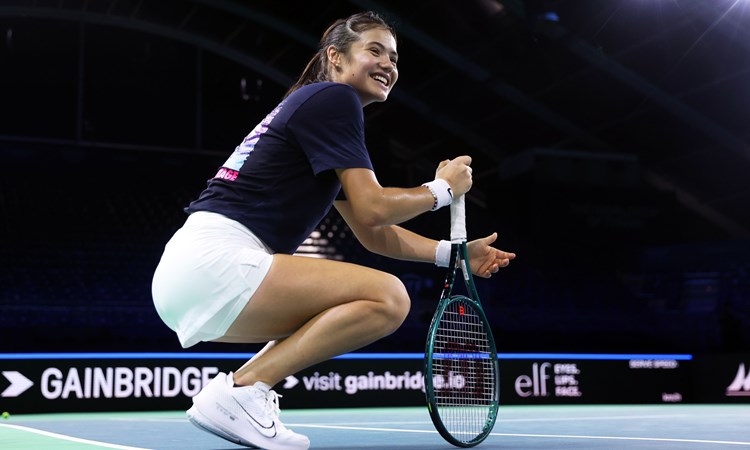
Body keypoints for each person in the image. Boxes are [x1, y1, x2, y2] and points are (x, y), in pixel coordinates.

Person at [151, 10, 515, 450]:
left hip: (190, 273)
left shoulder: (319, 111)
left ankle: (244, 391)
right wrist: (442, 189)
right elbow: (375, 207)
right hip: (218, 259)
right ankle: (242, 392)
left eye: (394, 57)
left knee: (351, 305)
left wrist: (453, 254)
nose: (388, 64)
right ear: (335, 58)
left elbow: (372, 230)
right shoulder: (333, 100)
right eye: (374, 50)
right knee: (388, 298)